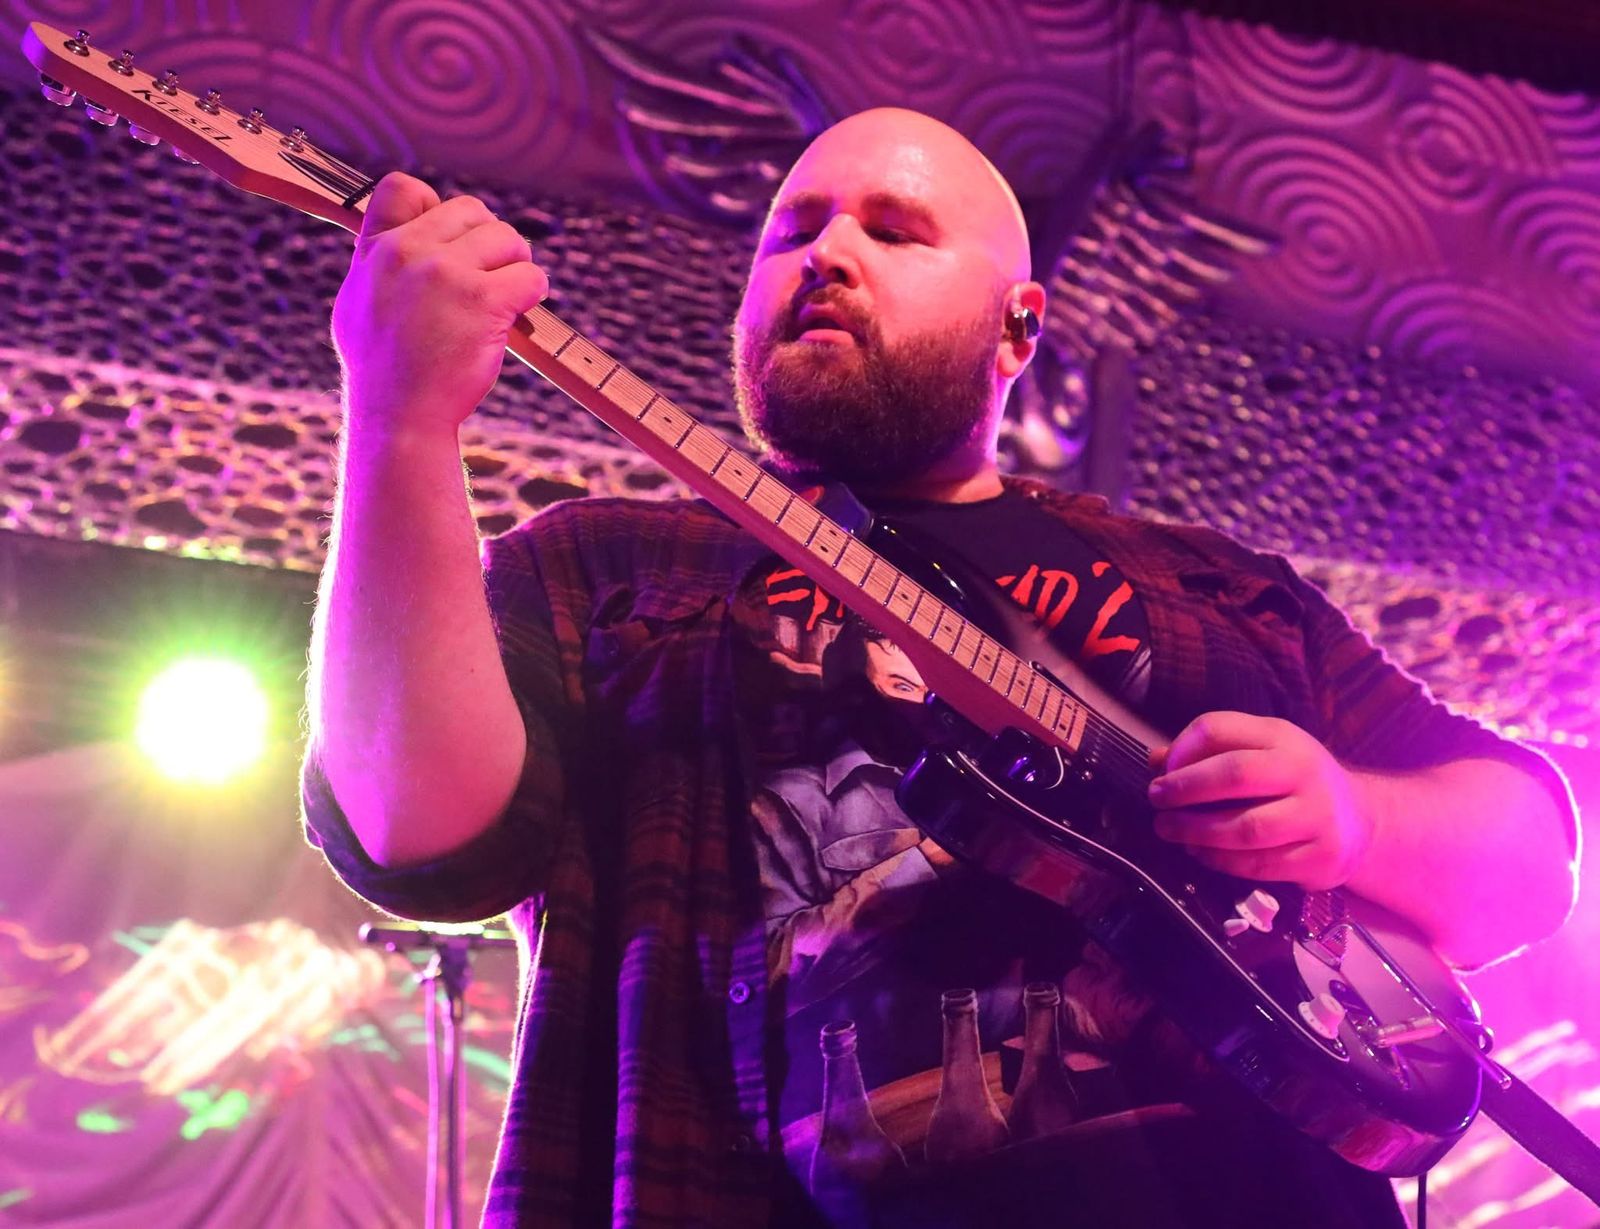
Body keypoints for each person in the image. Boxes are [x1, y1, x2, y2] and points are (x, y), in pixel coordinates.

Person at [302, 107, 1579, 1227]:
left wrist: (1354, 819)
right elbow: (419, 838)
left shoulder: (1223, 588)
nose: (825, 252)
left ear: (1018, 326)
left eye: (894, 230)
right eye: (790, 231)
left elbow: (1524, 869)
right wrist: (399, 418)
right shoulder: (608, 566)